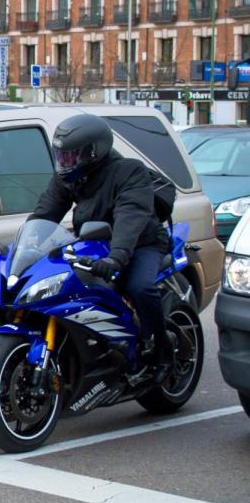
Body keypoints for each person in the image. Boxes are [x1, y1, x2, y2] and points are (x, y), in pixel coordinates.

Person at [29, 114, 173, 382]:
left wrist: (117, 258)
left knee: (138, 287)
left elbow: (130, 216)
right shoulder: (69, 178)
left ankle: (160, 348)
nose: (65, 162)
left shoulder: (129, 171)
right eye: (62, 156)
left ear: (95, 152)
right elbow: (45, 211)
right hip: (94, 244)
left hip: (141, 243)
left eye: (73, 156)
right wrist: (26, 246)